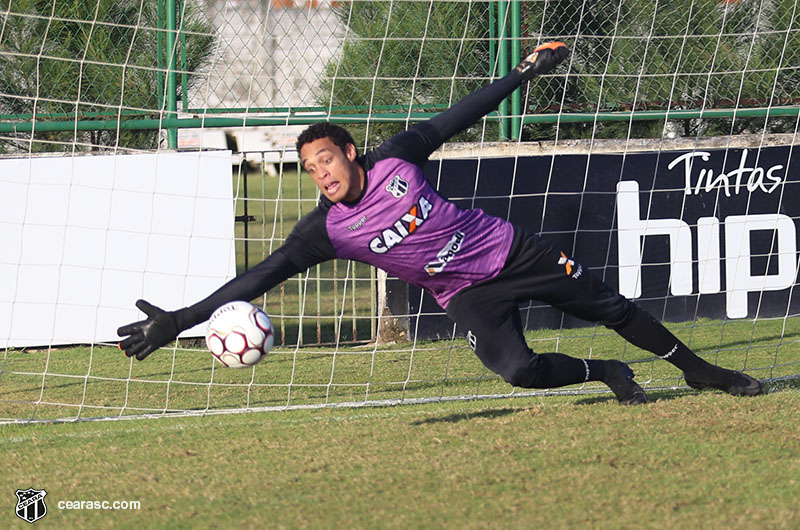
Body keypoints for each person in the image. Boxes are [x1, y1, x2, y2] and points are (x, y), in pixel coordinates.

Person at [118, 42, 763, 405]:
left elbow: (463, 113)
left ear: (349, 151)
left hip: (510, 251)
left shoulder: (398, 157)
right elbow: (258, 278)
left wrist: (523, 73)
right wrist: (180, 319)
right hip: (466, 294)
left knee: (615, 309)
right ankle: (606, 373)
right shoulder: (326, 231)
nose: (321, 175)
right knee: (519, 372)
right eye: (309, 170)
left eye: (325, 160)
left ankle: (696, 369)